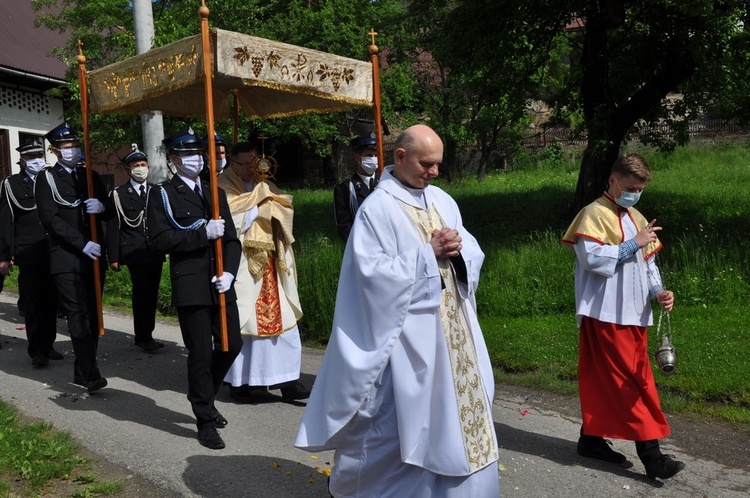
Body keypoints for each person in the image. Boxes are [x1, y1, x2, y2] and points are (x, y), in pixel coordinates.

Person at [295, 125, 499, 497]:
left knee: (460, 416)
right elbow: (370, 277)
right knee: (396, 424)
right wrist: (428, 255)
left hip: (454, 334)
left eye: (438, 164)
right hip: (404, 342)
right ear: (400, 157)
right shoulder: (378, 208)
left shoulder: (442, 200)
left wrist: (459, 249)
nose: (434, 172)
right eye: (427, 164)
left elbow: (471, 248)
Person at [561, 153, 685, 480]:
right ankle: (652, 457)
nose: (634, 194)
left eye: (640, 189)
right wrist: (634, 243)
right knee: (631, 384)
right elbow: (594, 261)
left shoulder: (636, 217)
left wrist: (659, 292)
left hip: (634, 315)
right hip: (604, 314)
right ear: (613, 180)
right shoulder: (592, 214)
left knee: (612, 382)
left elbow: (649, 265)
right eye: (630, 187)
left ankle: (590, 440)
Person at [147, 126, 242, 450]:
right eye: (187, 154)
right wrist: (203, 235)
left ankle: (205, 395)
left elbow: (232, 240)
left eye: (198, 153)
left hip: (220, 282)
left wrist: (229, 272)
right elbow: (159, 240)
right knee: (200, 353)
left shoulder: (215, 191)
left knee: (232, 345)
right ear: (174, 159)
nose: (196, 160)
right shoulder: (162, 194)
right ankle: (204, 419)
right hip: (191, 284)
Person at [219, 140, 309, 404]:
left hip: (272, 263)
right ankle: (244, 384)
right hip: (245, 263)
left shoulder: (265, 184)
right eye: (245, 165)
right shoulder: (223, 185)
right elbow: (227, 220)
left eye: (254, 163)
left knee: (284, 321)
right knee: (248, 324)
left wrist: (274, 209)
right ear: (232, 164)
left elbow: (284, 208)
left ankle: (287, 381)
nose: (251, 170)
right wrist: (256, 208)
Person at [34, 122, 111, 392]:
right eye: (68, 147)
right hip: (66, 257)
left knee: (93, 315)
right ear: (55, 150)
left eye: (76, 146)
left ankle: (82, 369)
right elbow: (50, 218)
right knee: (77, 316)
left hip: (93, 258)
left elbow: (110, 211)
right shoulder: (47, 178)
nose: (74, 151)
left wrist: (102, 206)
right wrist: (82, 243)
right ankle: (91, 374)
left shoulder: (89, 176)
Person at [0, 138, 61, 366]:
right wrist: (4, 256)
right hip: (28, 252)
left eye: (40, 156)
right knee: (34, 302)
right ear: (22, 161)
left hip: (53, 250)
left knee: (51, 300)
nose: (37, 161)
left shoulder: (52, 180)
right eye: (31, 157)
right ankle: (36, 350)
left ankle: (49, 344)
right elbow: (6, 222)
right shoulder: (11, 185)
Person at [106, 145, 165, 352]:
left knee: (153, 293)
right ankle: (143, 336)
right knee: (142, 292)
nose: (140, 168)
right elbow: (113, 227)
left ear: (148, 166)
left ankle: (147, 333)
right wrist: (113, 256)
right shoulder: (119, 194)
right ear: (129, 169)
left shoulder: (158, 191)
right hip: (133, 252)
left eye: (142, 164)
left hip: (154, 252)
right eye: (135, 165)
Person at [332, 133, 379, 242]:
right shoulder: (345, 189)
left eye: (376, 155)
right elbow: (344, 226)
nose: (374, 159)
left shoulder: (385, 183)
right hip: (361, 246)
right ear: (358, 158)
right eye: (369, 155)